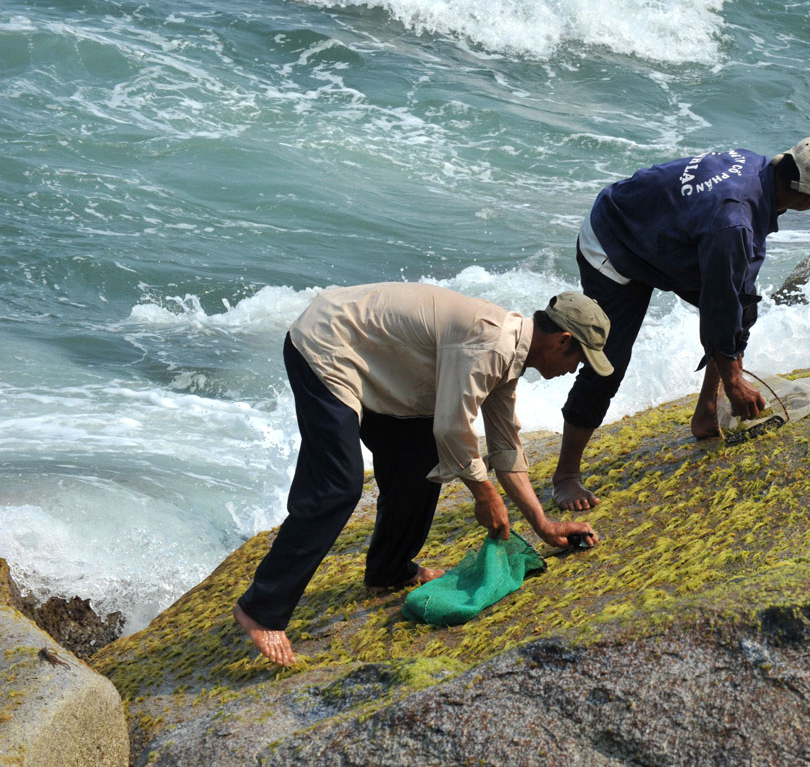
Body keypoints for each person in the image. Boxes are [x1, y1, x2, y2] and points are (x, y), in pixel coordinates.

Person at [234, 283, 610, 666]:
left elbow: (505, 448)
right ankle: (260, 609)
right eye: (580, 360)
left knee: (420, 462)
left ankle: (389, 570)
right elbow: (451, 428)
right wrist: (485, 494)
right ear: (563, 341)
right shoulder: (490, 343)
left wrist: (543, 525)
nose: (574, 370)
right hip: (327, 343)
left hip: (375, 356)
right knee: (337, 486)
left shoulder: (508, 355)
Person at [553, 136, 810, 511]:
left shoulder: (759, 170)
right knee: (608, 364)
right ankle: (565, 476)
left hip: (665, 232)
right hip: (614, 239)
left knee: (741, 308)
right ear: (808, 198)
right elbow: (718, 303)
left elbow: (732, 294)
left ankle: (706, 412)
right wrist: (734, 381)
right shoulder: (734, 222)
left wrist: (733, 359)